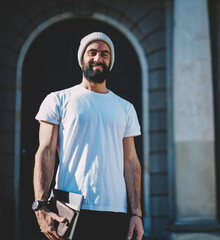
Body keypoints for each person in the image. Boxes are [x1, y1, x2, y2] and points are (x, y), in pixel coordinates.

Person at [32, 32, 144, 240]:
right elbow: (45, 152)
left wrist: (136, 213)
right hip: (69, 210)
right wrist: (41, 206)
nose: (98, 58)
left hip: (115, 211)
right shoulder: (58, 100)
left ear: (110, 61)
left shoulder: (126, 108)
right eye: (92, 53)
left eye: (104, 54)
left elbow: (131, 162)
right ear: (82, 57)